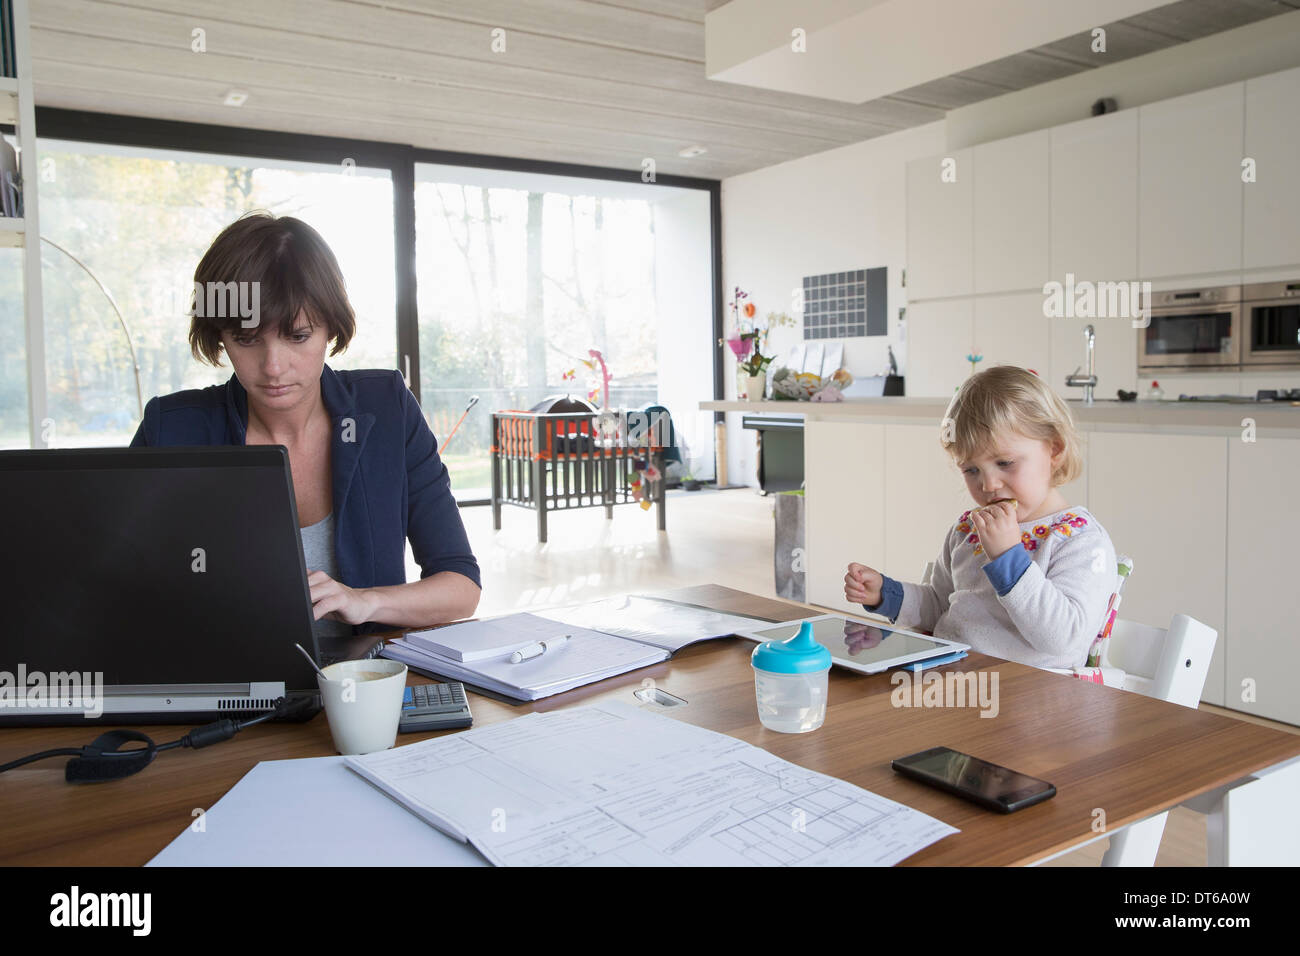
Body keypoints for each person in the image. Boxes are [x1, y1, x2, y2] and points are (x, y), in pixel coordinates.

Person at [131, 212, 480, 637]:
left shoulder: (388, 409)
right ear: (219, 335)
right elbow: (116, 588)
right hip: (227, 690)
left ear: (331, 328)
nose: (274, 367)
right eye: (246, 339)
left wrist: (362, 600)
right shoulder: (171, 431)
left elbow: (460, 587)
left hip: (362, 691)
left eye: (297, 336)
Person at [844, 365, 1114, 669]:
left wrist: (1009, 558)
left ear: (1055, 450)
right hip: (952, 685)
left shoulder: (1080, 540)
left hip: (1036, 700)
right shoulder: (968, 530)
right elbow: (940, 605)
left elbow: (1063, 638)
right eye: (971, 470)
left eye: (1005, 462)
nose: (988, 485)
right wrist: (887, 593)